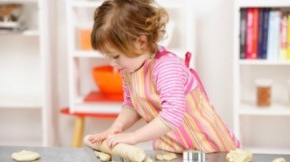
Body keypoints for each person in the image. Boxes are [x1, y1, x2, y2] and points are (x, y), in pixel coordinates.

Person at [86, 0, 240, 153]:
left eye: (115, 56)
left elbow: (172, 115)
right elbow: (131, 106)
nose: (112, 64)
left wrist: (133, 137)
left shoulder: (166, 67)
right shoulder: (128, 70)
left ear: (141, 42)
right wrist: (115, 129)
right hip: (172, 148)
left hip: (208, 147)